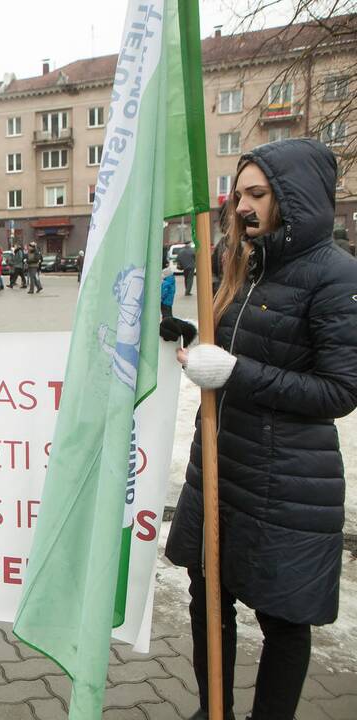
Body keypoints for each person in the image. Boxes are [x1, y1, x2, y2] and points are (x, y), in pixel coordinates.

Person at [164, 139, 357, 720]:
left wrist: (235, 373)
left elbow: (341, 390)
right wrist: (186, 338)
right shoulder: (242, 261)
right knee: (208, 597)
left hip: (287, 480)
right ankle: (213, 710)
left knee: (283, 616)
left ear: (293, 197)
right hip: (221, 465)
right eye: (238, 193)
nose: (240, 205)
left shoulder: (336, 276)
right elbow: (231, 345)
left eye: (257, 194)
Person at [160, 247, 175, 319]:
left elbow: (165, 288)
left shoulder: (166, 276)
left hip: (166, 300)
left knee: (166, 315)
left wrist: (161, 297)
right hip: (168, 300)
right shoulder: (169, 275)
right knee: (167, 314)